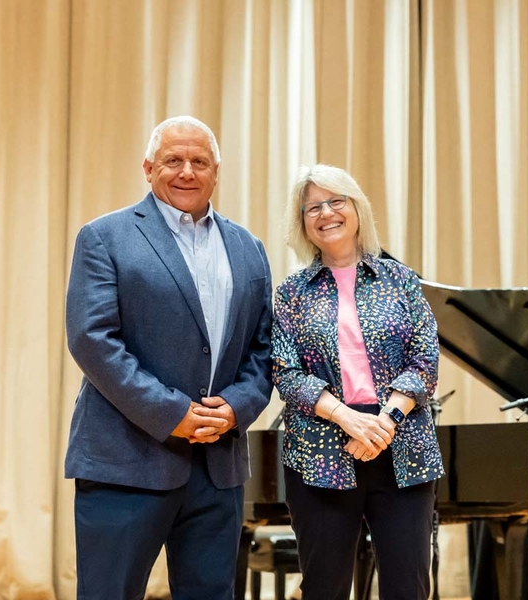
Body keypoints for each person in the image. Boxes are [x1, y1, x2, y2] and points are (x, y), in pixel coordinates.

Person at [64, 115, 273, 600]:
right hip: (125, 461)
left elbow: (264, 347)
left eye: (199, 161)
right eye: (173, 160)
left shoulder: (248, 247)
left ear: (216, 172)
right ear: (148, 168)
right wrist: (172, 413)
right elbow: (92, 340)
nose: (186, 171)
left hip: (217, 468)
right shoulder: (104, 237)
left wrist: (237, 407)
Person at [271, 164, 444, 600]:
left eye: (336, 201)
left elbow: (424, 357)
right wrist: (349, 419)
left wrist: (383, 421)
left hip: (401, 443)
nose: (326, 212)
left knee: (408, 587)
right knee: (324, 588)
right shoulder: (291, 294)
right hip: (323, 448)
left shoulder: (401, 279)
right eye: (313, 207)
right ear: (303, 224)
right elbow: (285, 372)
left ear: (357, 210)